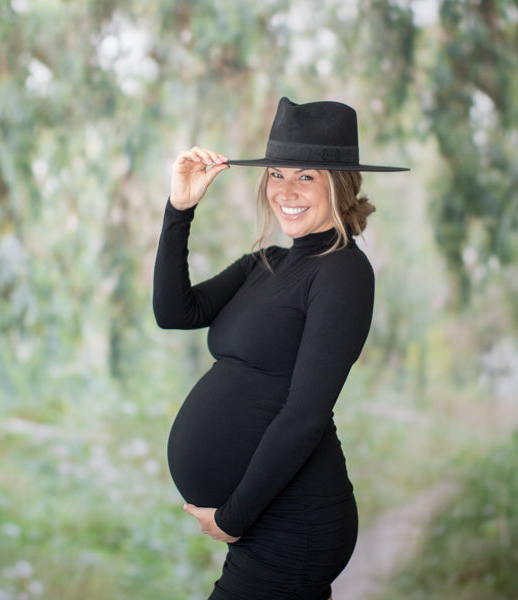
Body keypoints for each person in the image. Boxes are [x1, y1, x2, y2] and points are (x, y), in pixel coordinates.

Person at [153, 97, 408, 600]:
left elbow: (307, 412)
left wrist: (235, 515)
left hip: (295, 522)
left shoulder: (342, 273)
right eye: (276, 174)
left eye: (306, 177)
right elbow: (174, 312)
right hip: (269, 518)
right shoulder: (264, 264)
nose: (285, 192)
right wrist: (179, 209)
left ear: (340, 184)